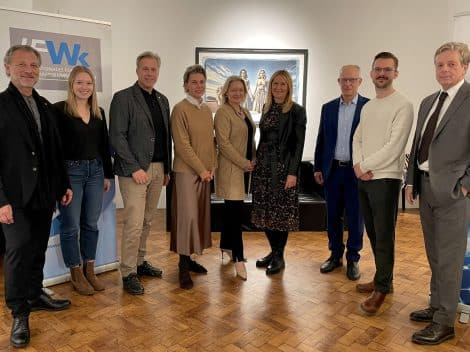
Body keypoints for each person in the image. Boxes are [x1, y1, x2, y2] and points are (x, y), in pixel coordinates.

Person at [0, 45, 73, 348]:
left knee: (38, 248)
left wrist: (64, 184)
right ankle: (20, 312)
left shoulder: (44, 105)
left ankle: (35, 294)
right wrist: (1, 199)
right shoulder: (1, 105)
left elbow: (55, 151)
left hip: (44, 192)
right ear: (7, 68)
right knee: (17, 252)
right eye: (21, 64)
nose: (28, 70)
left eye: (34, 65)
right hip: (14, 197)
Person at [406, 42, 470, 345]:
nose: (444, 69)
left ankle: (445, 322)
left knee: (450, 258)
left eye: (451, 64)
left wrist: (466, 185)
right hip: (426, 186)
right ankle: (436, 305)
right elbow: (419, 144)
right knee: (434, 254)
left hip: (454, 192)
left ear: (465, 67)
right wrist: (411, 181)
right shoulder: (428, 101)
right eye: (439, 64)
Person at [352, 52, 413, 315]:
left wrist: (365, 166)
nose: (382, 74)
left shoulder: (403, 105)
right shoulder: (368, 107)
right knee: (373, 234)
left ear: (396, 73)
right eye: (378, 69)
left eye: (387, 70)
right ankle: (382, 280)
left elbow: (395, 146)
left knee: (384, 236)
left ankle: (383, 288)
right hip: (365, 179)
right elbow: (358, 139)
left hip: (386, 179)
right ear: (371, 73)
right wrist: (358, 166)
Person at [109, 51, 171, 295]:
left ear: (158, 72)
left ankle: (139, 262)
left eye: (153, 69)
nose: (149, 73)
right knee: (134, 223)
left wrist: (166, 167)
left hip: (157, 169)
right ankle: (127, 272)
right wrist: (134, 168)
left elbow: (166, 137)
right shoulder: (123, 98)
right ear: (137, 71)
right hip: (134, 170)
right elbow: (117, 136)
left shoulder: (162, 100)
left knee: (147, 220)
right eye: (145, 68)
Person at [54, 66, 113, 295]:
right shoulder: (59, 111)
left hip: (96, 172)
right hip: (71, 173)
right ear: (71, 84)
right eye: (79, 82)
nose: (84, 87)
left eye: (88, 83)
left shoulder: (98, 112)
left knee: (91, 223)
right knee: (71, 225)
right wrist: (60, 181)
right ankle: (75, 273)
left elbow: (104, 145)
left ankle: (90, 269)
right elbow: (55, 149)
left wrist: (107, 174)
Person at [314, 65, 368, 281]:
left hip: (356, 172)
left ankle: (353, 258)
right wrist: (319, 166)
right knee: (333, 216)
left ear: (359, 82)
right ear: (338, 81)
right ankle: (335, 255)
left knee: (356, 217)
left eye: (352, 80)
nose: (347, 84)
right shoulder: (328, 108)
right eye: (344, 80)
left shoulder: (368, 107)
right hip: (333, 170)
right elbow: (322, 139)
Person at [252, 70, 307, 275]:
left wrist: (292, 172)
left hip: (283, 169)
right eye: (275, 83)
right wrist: (256, 158)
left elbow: (298, 145)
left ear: (289, 87)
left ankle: (279, 257)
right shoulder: (267, 108)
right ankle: (273, 252)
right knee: (265, 212)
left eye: (283, 84)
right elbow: (263, 139)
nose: (278, 87)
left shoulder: (297, 111)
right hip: (263, 168)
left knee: (280, 214)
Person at [170, 64, 217, 289]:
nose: (198, 86)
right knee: (186, 219)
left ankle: (190, 260)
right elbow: (182, 145)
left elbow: (211, 142)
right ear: (186, 84)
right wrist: (201, 169)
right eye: (193, 82)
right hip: (186, 173)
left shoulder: (206, 110)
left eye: (201, 82)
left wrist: (212, 167)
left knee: (197, 218)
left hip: (205, 174)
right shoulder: (179, 109)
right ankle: (182, 265)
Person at [214, 76, 256, 280]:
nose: (237, 93)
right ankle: (239, 259)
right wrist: (243, 162)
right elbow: (223, 144)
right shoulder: (222, 112)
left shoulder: (244, 111)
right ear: (226, 92)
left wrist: (253, 159)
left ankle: (226, 246)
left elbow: (250, 138)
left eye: (241, 90)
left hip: (244, 168)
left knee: (231, 212)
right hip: (231, 170)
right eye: (233, 90)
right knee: (236, 214)